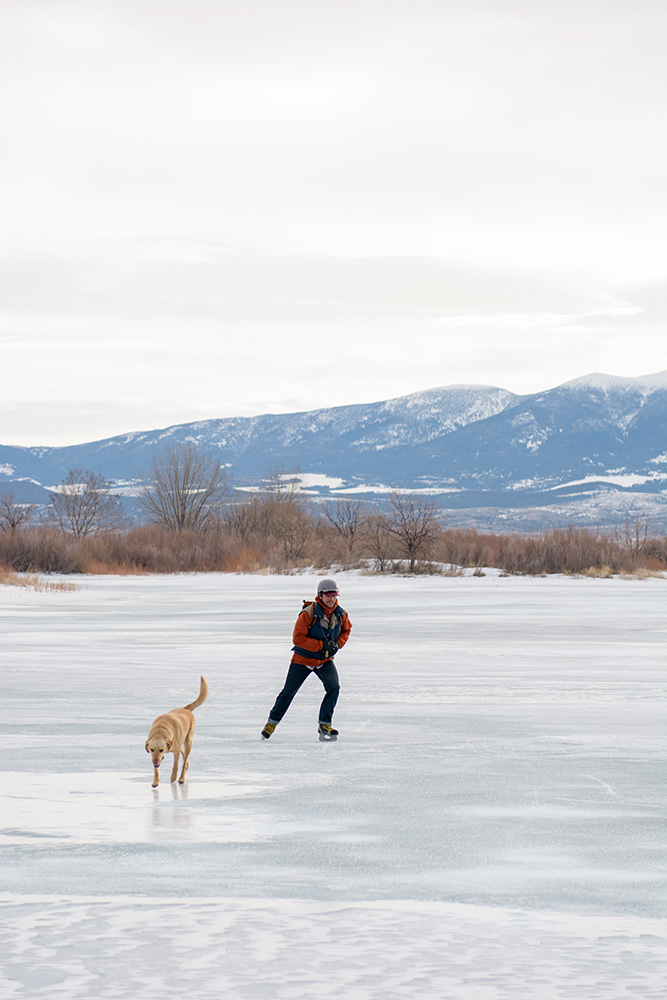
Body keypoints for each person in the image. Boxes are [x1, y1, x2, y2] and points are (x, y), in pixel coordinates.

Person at [261, 578, 352, 741]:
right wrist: (321, 645)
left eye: (334, 596)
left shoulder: (341, 614)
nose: (332, 599)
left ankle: (324, 724)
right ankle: (271, 723)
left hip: (324, 661)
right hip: (302, 660)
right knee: (288, 693)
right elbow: (298, 639)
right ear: (320, 595)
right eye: (328, 595)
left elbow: (346, 630)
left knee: (334, 687)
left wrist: (337, 644)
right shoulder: (308, 614)